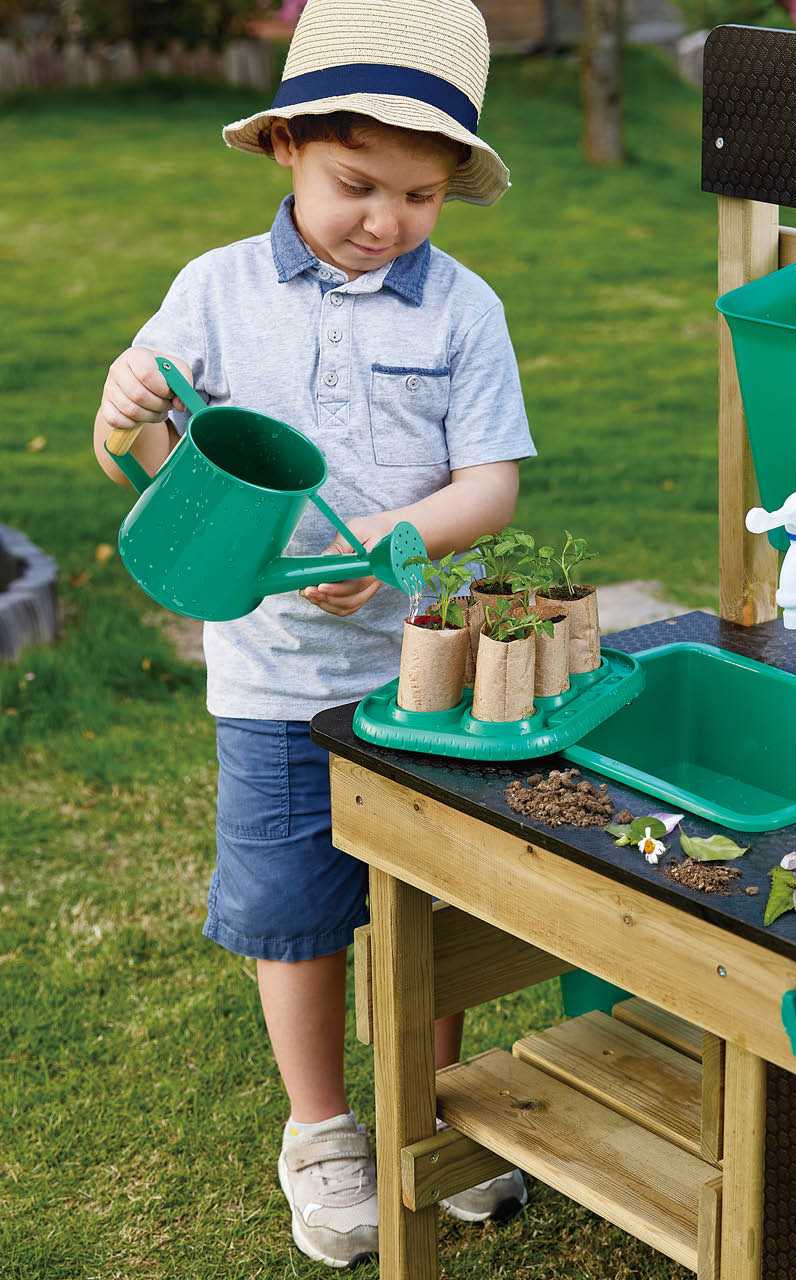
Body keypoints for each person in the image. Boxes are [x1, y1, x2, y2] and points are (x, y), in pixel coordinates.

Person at [91, 0, 535, 1265]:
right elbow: (156, 455)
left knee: (431, 902)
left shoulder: (462, 310)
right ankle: (323, 1127)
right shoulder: (214, 292)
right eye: (356, 184)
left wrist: (396, 542)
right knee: (294, 912)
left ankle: (428, 1109)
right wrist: (129, 405)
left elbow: (490, 484)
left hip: (427, 670)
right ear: (287, 144)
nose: (385, 220)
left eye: (419, 195)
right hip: (275, 679)